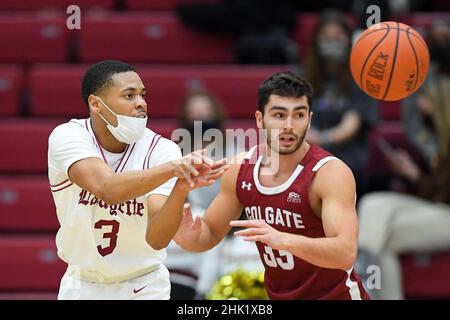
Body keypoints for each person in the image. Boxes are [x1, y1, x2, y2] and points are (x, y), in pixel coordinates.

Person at [174, 71, 370, 300]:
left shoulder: (329, 173)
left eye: (299, 115)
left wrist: (284, 239)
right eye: (279, 114)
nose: (289, 125)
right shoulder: (241, 168)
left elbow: (345, 252)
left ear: (309, 119)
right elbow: (207, 235)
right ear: (260, 119)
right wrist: (184, 233)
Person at [47, 60, 228, 300]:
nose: (141, 102)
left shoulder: (162, 150)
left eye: (142, 95)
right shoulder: (68, 136)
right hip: (82, 283)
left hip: (145, 284)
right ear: (96, 104)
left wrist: (180, 187)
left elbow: (157, 239)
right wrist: (172, 170)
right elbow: (107, 189)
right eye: (129, 95)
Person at [356, 22, 450, 300]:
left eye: (427, 100)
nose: (420, 104)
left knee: (378, 236)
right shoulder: (435, 134)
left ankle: (356, 279)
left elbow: (443, 194)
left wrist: (415, 176)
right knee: (373, 205)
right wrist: (412, 173)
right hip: (437, 207)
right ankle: (364, 272)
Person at [304, 10, 379, 196]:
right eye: (326, 37)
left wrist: (321, 139)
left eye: (338, 37)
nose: (332, 42)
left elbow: (350, 126)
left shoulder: (361, 79)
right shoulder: (300, 76)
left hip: (348, 160)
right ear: (316, 40)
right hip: (305, 156)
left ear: (348, 40)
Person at [165, 91, 227, 299]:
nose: (200, 117)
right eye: (194, 113)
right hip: (185, 218)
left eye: (205, 111)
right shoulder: (172, 154)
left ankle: (205, 293)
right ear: (185, 118)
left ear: (216, 115)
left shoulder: (234, 151)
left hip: (226, 224)